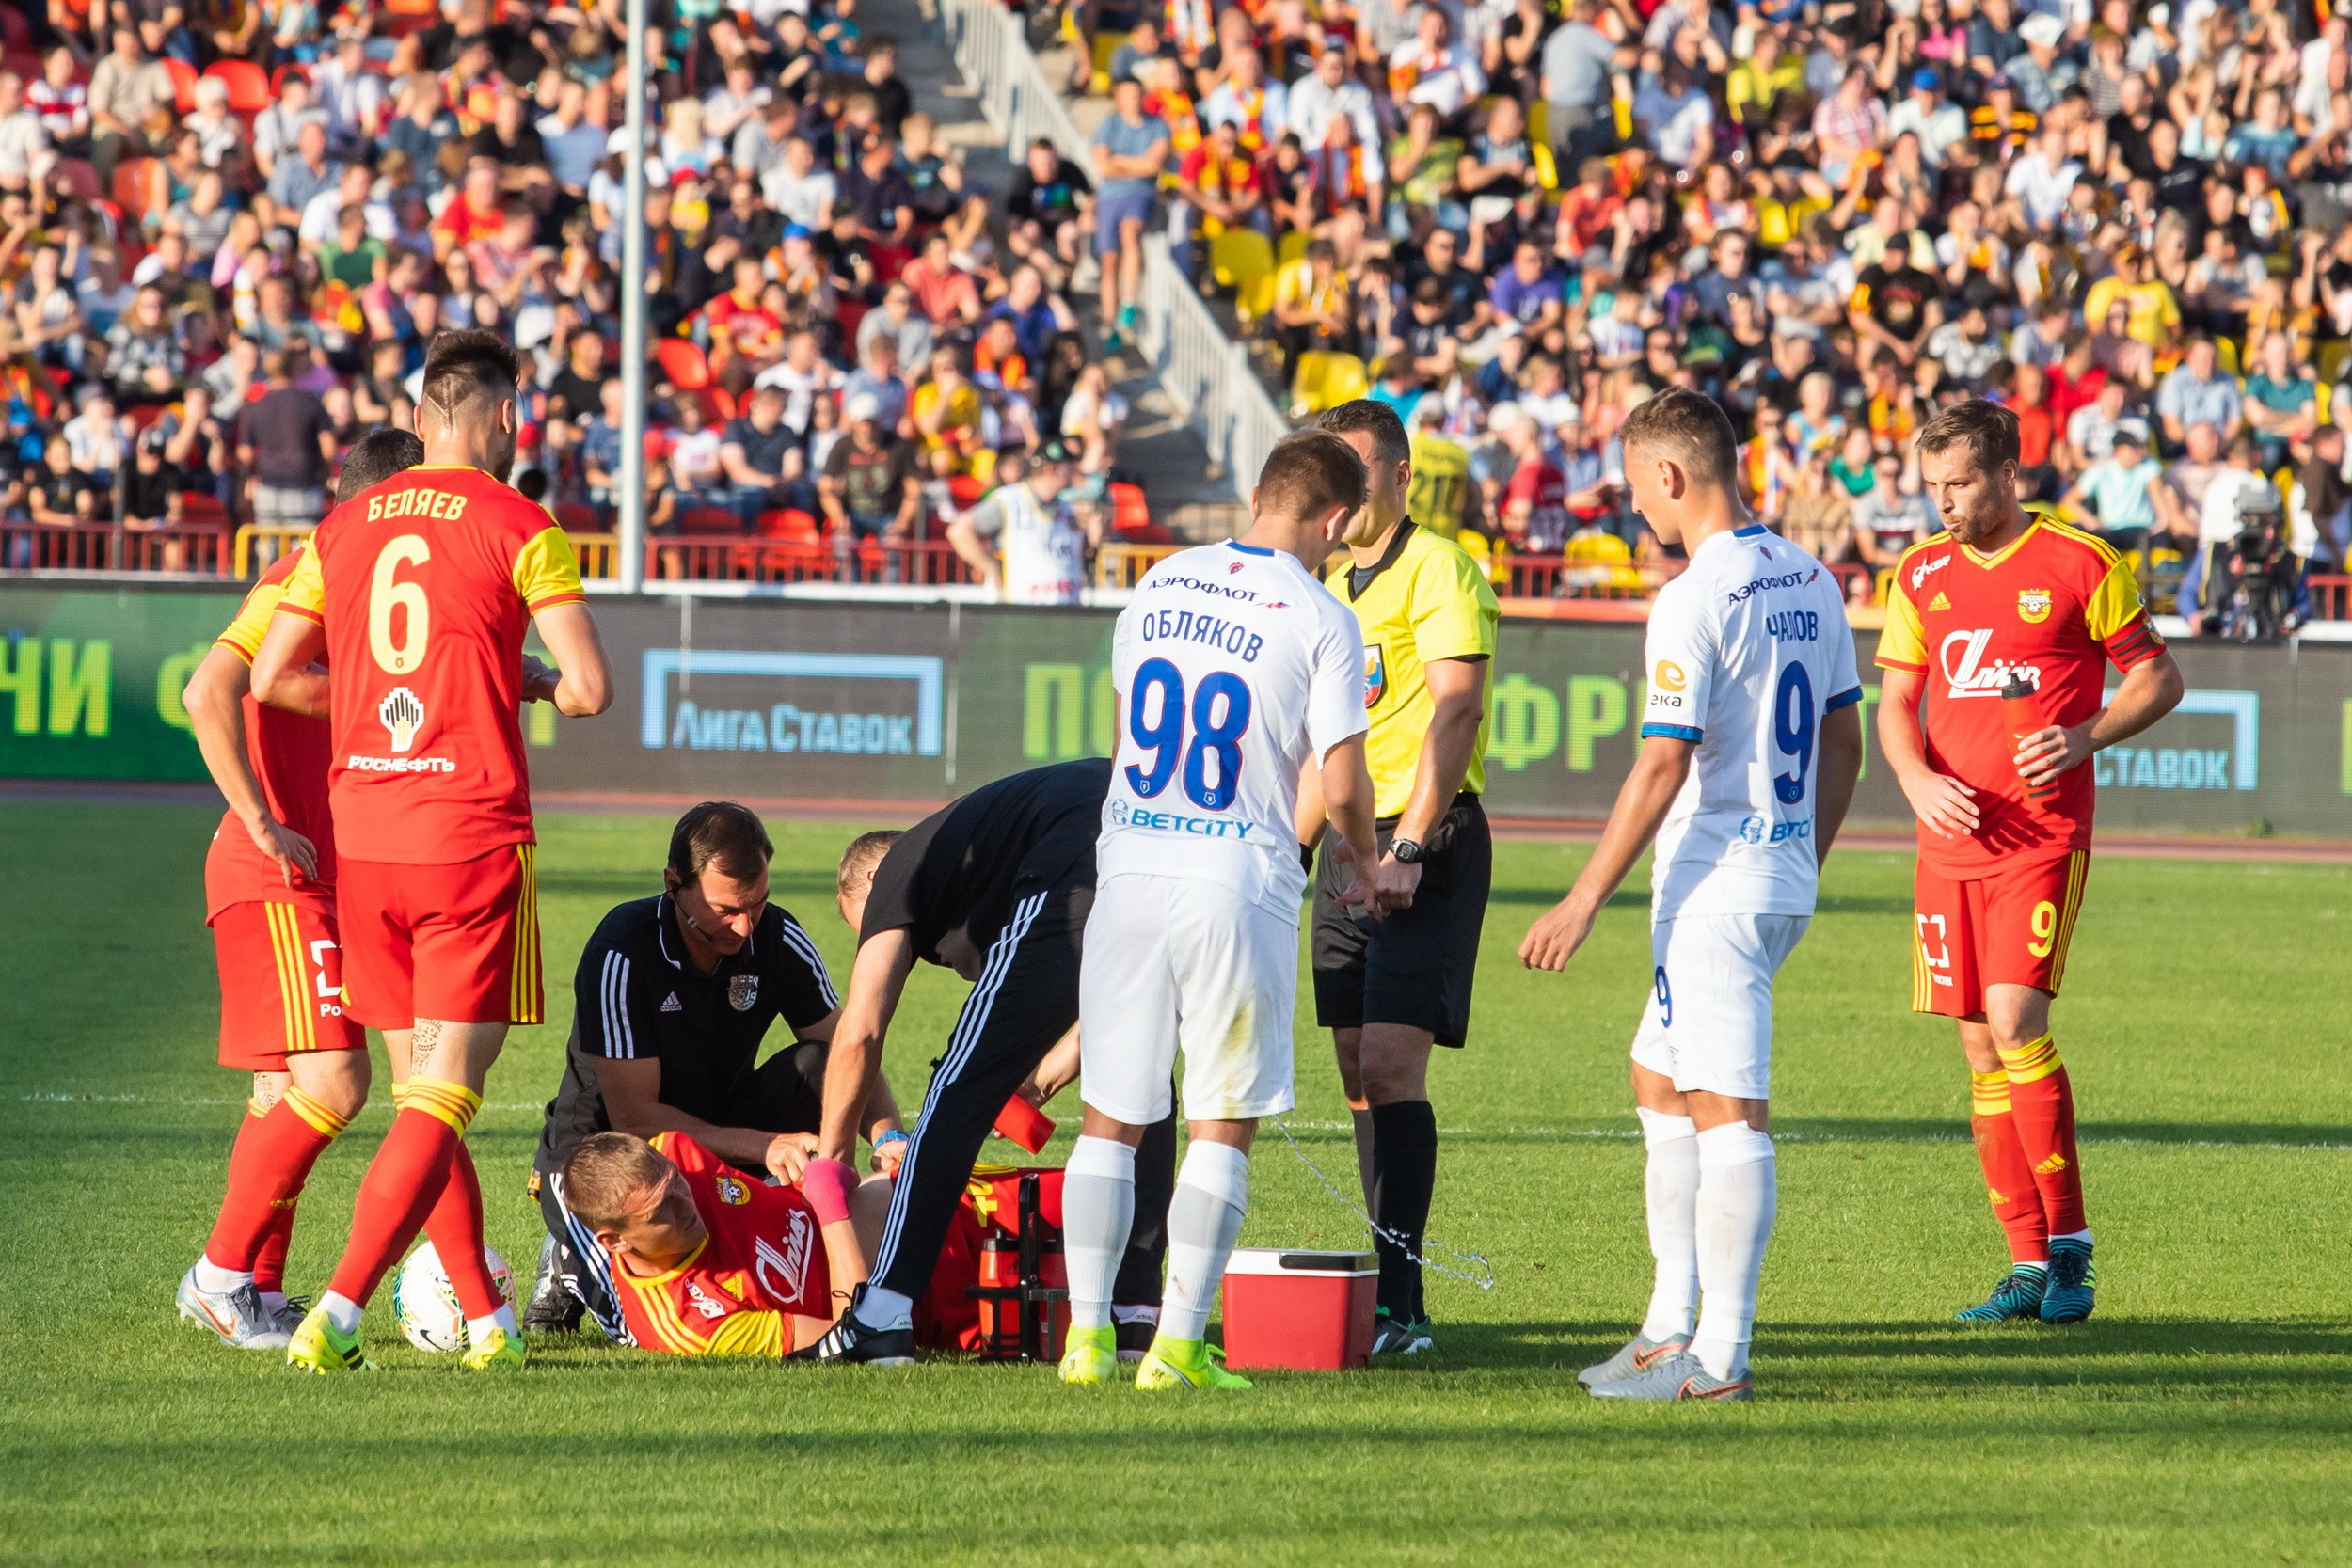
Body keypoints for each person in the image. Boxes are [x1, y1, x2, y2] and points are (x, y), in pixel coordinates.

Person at [250, 330, 617, 1374]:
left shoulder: (342, 522)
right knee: (446, 1086)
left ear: (419, 419)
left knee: (423, 1085)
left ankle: (487, 1321)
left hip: (364, 832)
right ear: (505, 419)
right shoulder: (521, 522)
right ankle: (338, 1306)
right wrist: (528, 680)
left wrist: (372, 708)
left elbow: (275, 676)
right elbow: (590, 689)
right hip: (467, 831)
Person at [1519, 387, 1865, 1402]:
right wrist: (1805, 854)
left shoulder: (1689, 596)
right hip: (1772, 871)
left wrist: (1581, 897)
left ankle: (1719, 1356)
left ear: (1670, 476)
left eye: (1636, 489)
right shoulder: (1812, 576)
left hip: (1713, 882)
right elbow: (1842, 735)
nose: (1637, 511)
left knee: (1727, 1112)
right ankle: (1667, 1325)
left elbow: (1661, 763)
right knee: (1656, 1078)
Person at [1057, 430, 1391, 1392]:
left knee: (1109, 1119)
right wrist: (1364, 860)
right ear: (1335, 519)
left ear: (1255, 494)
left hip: (1128, 868)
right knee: (1220, 1120)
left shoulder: (1159, 580)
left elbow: (1124, 729)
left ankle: (1085, 1338)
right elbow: (1343, 776)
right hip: (1232, 880)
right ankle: (1177, 1343)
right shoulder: (1322, 615)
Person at [1875, 399, 2184, 1326]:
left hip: (2039, 838)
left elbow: (2158, 676)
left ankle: (2071, 1248)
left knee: (2015, 1017)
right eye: (1932, 486)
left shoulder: (2080, 562)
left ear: (2010, 472)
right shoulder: (1918, 571)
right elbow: (1894, 703)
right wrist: (1914, 779)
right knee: (1976, 1042)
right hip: (1948, 840)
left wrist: (2084, 736)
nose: (1944, 503)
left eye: (1961, 483)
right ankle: (2020, 1260)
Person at [170, 429, 423, 1351]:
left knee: (284, 1089)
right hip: (276, 870)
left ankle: (255, 1288)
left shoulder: (365, 588)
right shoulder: (304, 573)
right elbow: (208, 693)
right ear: (383, 504)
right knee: (336, 1078)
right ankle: (221, 1270)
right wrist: (263, 820)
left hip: (320, 872)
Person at [794, 761, 1180, 1366]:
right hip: (1171, 844)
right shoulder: (984, 861)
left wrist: (833, 1154)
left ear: (871, 877)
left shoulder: (900, 868)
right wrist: (1038, 1080)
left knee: (958, 1086)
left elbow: (860, 1029)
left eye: (866, 925)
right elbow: (1120, 1013)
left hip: (1086, 850)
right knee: (1142, 1060)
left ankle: (880, 1317)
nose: (887, 941)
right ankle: (1135, 1317)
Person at [526, 801, 905, 1340]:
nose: (746, 926)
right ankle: (570, 1251)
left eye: (759, 903)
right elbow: (636, 1119)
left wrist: (890, 1134)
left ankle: (766, 1203)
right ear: (674, 884)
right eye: (727, 909)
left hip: (719, 1132)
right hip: (616, 1161)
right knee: (645, 1329)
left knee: (819, 1062)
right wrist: (767, 1145)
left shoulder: (776, 936)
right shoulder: (621, 952)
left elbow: (850, 1047)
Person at [1305, 399, 1498, 1357]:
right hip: (1346, 838)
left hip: (1425, 838)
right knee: (1351, 1070)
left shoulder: (1441, 567)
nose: (1339, 492)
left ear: (1397, 474)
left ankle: (1403, 1304)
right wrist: (1286, 851)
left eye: (1355, 469)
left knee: (1388, 1063)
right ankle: (1383, 1282)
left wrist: (1409, 847)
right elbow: (1322, 743)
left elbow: (1453, 713)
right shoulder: (1331, 587)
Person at [559, 1130, 888, 1357]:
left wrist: (770, 1147)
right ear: (615, 1241)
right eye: (661, 1210)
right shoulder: (691, 1323)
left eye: (676, 1182)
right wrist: (830, 1203)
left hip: (890, 1198)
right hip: (917, 1290)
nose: (686, 1204)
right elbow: (860, 1335)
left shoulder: (674, 1151)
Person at [946, 439, 1097, 604]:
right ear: (1051, 468)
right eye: (1069, 466)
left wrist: (1094, 539)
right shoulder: (1010, 501)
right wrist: (993, 569)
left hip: (1065, 613)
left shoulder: (1066, 508)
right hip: (1021, 612)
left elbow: (1074, 557)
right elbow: (959, 532)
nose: (1074, 471)